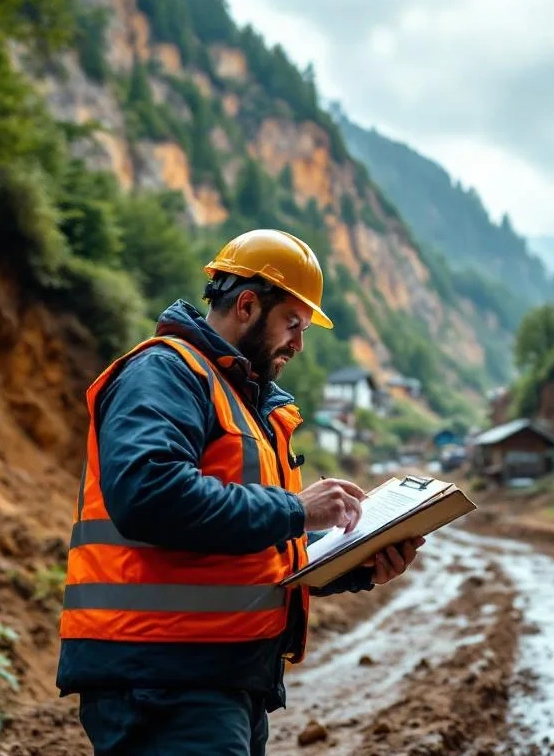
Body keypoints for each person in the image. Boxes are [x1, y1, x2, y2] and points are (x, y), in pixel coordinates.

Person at [56, 228, 424, 755]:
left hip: (221, 679)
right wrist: (297, 508)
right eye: (292, 324)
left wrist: (357, 564)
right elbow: (148, 494)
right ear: (247, 305)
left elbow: (250, 547)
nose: (299, 343)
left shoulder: (249, 406)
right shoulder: (166, 372)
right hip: (161, 680)